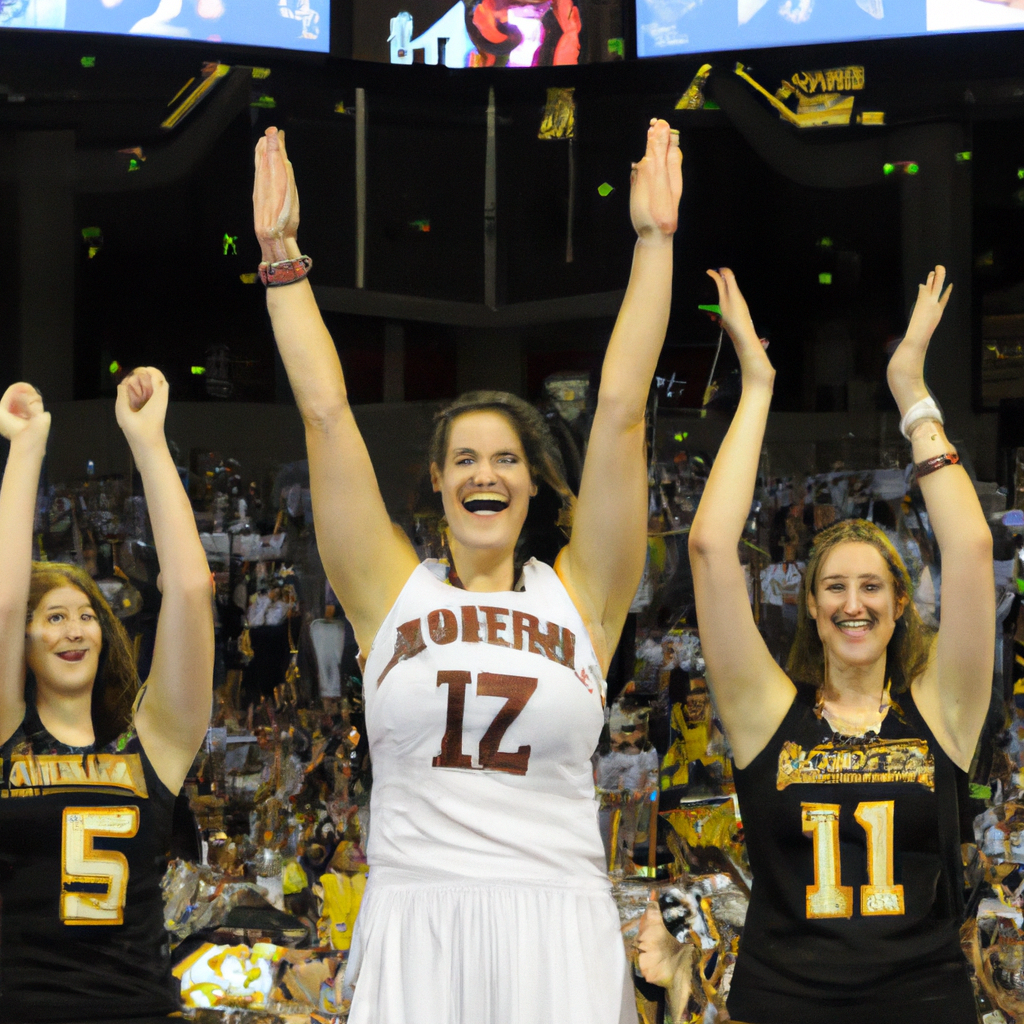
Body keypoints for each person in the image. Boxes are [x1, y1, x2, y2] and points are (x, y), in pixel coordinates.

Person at [252, 118, 683, 1024]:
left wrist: (654, 245)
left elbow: (621, 414)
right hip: (417, 913)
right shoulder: (387, 589)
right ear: (440, 484)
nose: (485, 473)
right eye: (464, 460)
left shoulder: (583, 594)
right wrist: (283, 260)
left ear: (534, 484)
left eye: (505, 459)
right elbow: (327, 416)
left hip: (559, 917)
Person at [670, 266, 993, 1023]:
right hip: (784, 1003)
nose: (855, 604)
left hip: (923, 1003)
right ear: (811, 609)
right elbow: (713, 548)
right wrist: (755, 387)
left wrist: (912, 392)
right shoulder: (766, 717)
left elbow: (972, 548)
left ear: (900, 604)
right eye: (836, 589)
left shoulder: (942, 710)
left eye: (872, 587)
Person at [0, 369, 215, 1023]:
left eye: (85, 615)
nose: (73, 629)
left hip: (136, 1011)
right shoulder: (7, 732)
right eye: (54, 617)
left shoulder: (155, 742)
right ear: (25, 643)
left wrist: (149, 443)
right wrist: (26, 448)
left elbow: (190, 591)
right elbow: (4, 601)